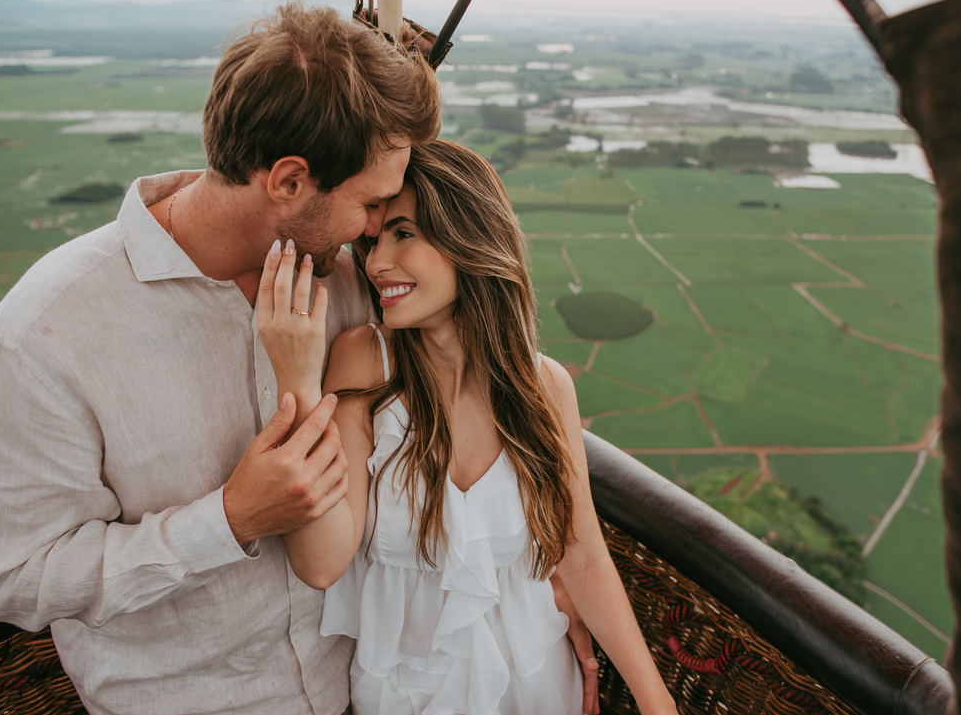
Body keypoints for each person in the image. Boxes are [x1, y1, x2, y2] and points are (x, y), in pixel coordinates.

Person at [0, 0, 442, 715]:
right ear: (289, 181)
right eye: (371, 203)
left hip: (365, 685)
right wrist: (229, 519)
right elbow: (15, 578)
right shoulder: (39, 341)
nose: (375, 228)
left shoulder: (349, 281)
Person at [258, 140, 679, 715]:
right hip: (405, 692)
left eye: (404, 234)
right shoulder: (366, 362)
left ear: (469, 237)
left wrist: (657, 703)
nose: (378, 263)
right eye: (374, 241)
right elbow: (321, 562)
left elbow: (582, 558)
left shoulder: (545, 388)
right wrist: (299, 383)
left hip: (536, 679)